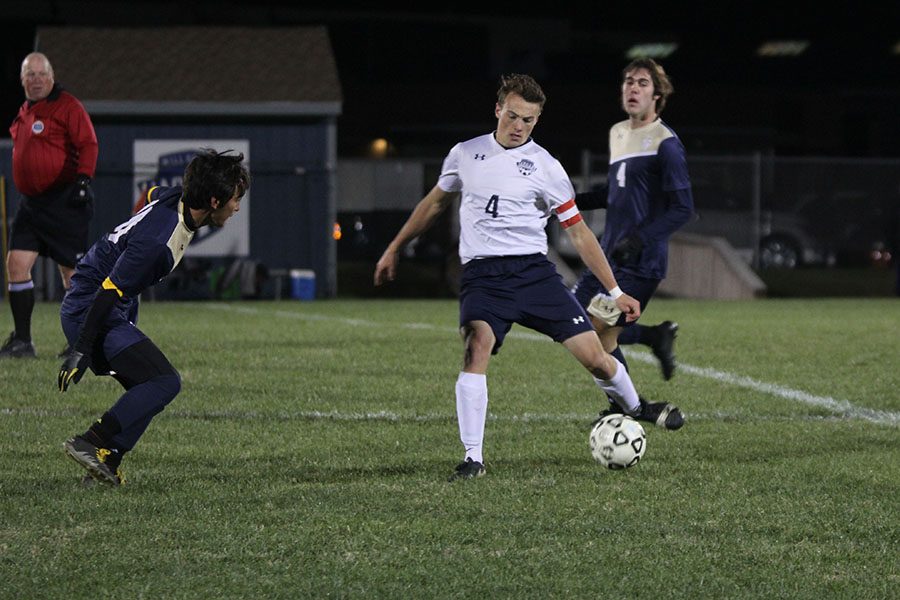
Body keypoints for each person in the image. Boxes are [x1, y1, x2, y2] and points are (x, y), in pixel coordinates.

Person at [375, 74, 683, 482]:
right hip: (483, 276)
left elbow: (578, 232)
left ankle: (634, 406)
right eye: (514, 116)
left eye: (529, 120)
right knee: (476, 345)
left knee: (595, 358)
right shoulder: (465, 154)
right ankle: (473, 458)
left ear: (537, 121)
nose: (519, 126)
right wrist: (395, 246)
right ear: (498, 109)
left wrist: (615, 290)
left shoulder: (546, 167)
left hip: (534, 275)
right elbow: (434, 203)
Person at [59, 149, 250, 486]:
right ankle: (92, 441)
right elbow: (107, 292)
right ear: (214, 199)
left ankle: (107, 461)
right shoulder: (157, 245)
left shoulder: (177, 199)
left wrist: (134, 230)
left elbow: (150, 196)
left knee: (148, 386)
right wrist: (82, 348)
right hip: (90, 308)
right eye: (235, 199)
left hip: (102, 304)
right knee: (164, 381)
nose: (237, 207)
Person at [570, 58, 694, 399]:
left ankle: (626, 407)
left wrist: (639, 240)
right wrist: (572, 201)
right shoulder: (618, 133)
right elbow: (617, 193)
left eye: (641, 82)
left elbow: (683, 208)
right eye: (627, 81)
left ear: (657, 94)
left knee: (597, 332)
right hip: (607, 255)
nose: (632, 88)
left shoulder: (666, 143)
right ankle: (653, 338)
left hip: (641, 262)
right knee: (578, 325)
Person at [1, 52, 98, 359]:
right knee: (16, 265)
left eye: (42, 74)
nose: (37, 80)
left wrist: (83, 180)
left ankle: (80, 343)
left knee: (71, 273)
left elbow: (89, 143)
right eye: (30, 74)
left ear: (52, 77)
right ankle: (23, 341)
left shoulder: (67, 105)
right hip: (31, 205)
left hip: (64, 200)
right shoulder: (24, 112)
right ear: (22, 80)